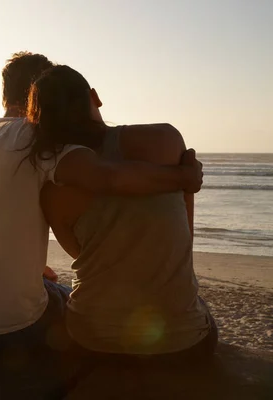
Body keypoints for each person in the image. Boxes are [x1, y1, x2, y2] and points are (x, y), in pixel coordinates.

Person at [0, 52, 204, 352]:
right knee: (65, 296)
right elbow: (108, 177)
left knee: (57, 289)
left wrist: (29, 265)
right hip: (11, 329)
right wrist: (182, 178)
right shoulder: (39, 140)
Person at [34, 65, 218, 362]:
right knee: (202, 311)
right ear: (95, 97)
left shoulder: (53, 186)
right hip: (181, 341)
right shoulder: (166, 139)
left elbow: (80, 254)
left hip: (90, 339)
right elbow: (184, 236)